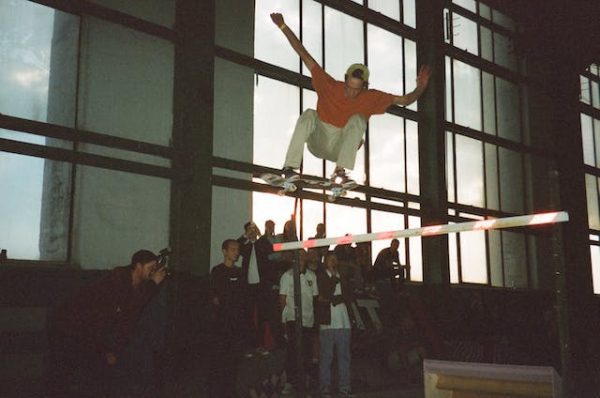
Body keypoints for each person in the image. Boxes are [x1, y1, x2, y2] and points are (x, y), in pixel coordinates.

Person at [270, 12, 431, 185]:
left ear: (365, 86)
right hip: (318, 140)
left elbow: (405, 100)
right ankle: (289, 168)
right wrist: (283, 26)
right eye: (349, 87)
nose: (352, 93)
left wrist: (421, 86)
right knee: (309, 114)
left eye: (357, 89)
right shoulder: (329, 84)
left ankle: (340, 171)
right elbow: (304, 54)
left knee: (359, 119)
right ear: (345, 80)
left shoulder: (372, 97)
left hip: (341, 147)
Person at [46, 249, 167, 397]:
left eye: (155, 268)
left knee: (96, 377)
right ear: (138, 266)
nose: (153, 272)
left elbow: (130, 314)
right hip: (69, 328)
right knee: (66, 376)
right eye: (150, 268)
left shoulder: (136, 284)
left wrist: (113, 350)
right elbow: (125, 314)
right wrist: (108, 351)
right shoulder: (117, 281)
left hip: (85, 331)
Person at [208, 239, 246, 398]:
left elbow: (243, 299)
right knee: (219, 359)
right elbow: (215, 297)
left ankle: (231, 391)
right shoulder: (217, 271)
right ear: (224, 251)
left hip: (236, 324)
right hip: (221, 324)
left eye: (237, 250)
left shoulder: (240, 272)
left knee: (233, 360)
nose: (235, 252)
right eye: (232, 249)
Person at [279, 250, 319, 395]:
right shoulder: (287, 276)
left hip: (308, 319)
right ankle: (290, 382)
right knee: (292, 351)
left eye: (303, 255)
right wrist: (283, 321)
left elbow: (314, 298)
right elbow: (282, 300)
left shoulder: (312, 276)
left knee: (307, 352)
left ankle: (305, 383)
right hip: (292, 319)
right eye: (299, 255)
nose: (301, 258)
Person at [315, 252, 355, 397]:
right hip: (327, 324)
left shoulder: (343, 277)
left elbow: (349, 295)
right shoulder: (322, 277)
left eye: (335, 259)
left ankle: (345, 387)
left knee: (344, 356)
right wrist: (334, 296)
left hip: (344, 323)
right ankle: (325, 386)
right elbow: (323, 295)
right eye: (330, 259)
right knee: (327, 357)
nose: (333, 262)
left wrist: (334, 299)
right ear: (325, 262)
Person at [237, 221, 266, 353]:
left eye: (254, 229)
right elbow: (236, 246)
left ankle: (260, 344)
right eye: (250, 229)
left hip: (261, 286)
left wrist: (260, 235)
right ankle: (248, 346)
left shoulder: (261, 243)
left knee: (261, 316)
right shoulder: (245, 246)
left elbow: (269, 248)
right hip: (247, 287)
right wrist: (246, 236)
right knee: (247, 316)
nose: (252, 231)